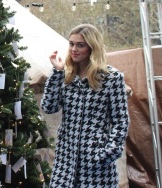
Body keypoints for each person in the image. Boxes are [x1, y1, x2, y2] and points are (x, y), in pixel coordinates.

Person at [41, 24, 129, 187]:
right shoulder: (66, 75)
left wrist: (107, 153)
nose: (74, 49)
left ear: (92, 48)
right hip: (65, 162)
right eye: (71, 44)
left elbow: (121, 121)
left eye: (80, 45)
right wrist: (57, 72)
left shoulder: (112, 78)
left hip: (96, 163)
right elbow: (49, 107)